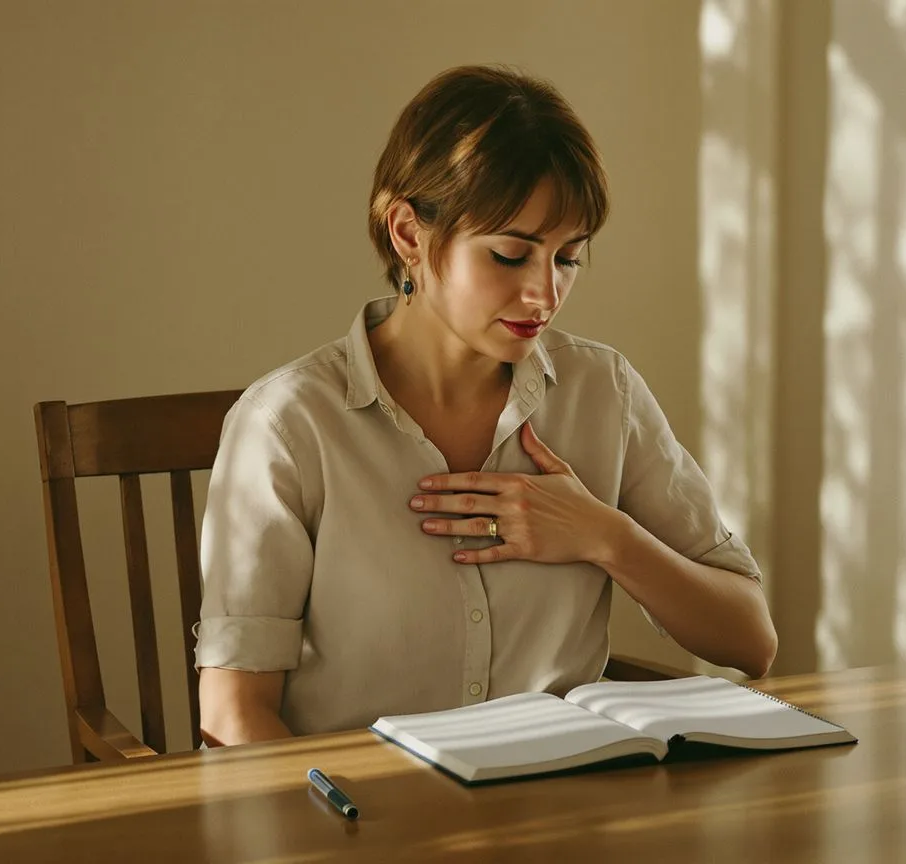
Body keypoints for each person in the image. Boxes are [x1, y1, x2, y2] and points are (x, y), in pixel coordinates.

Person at [194, 65, 776, 748]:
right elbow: (232, 714)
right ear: (408, 234)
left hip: (565, 818)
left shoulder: (603, 392)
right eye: (510, 254)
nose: (543, 294)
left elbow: (750, 640)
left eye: (568, 259)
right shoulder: (289, 426)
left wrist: (605, 536)